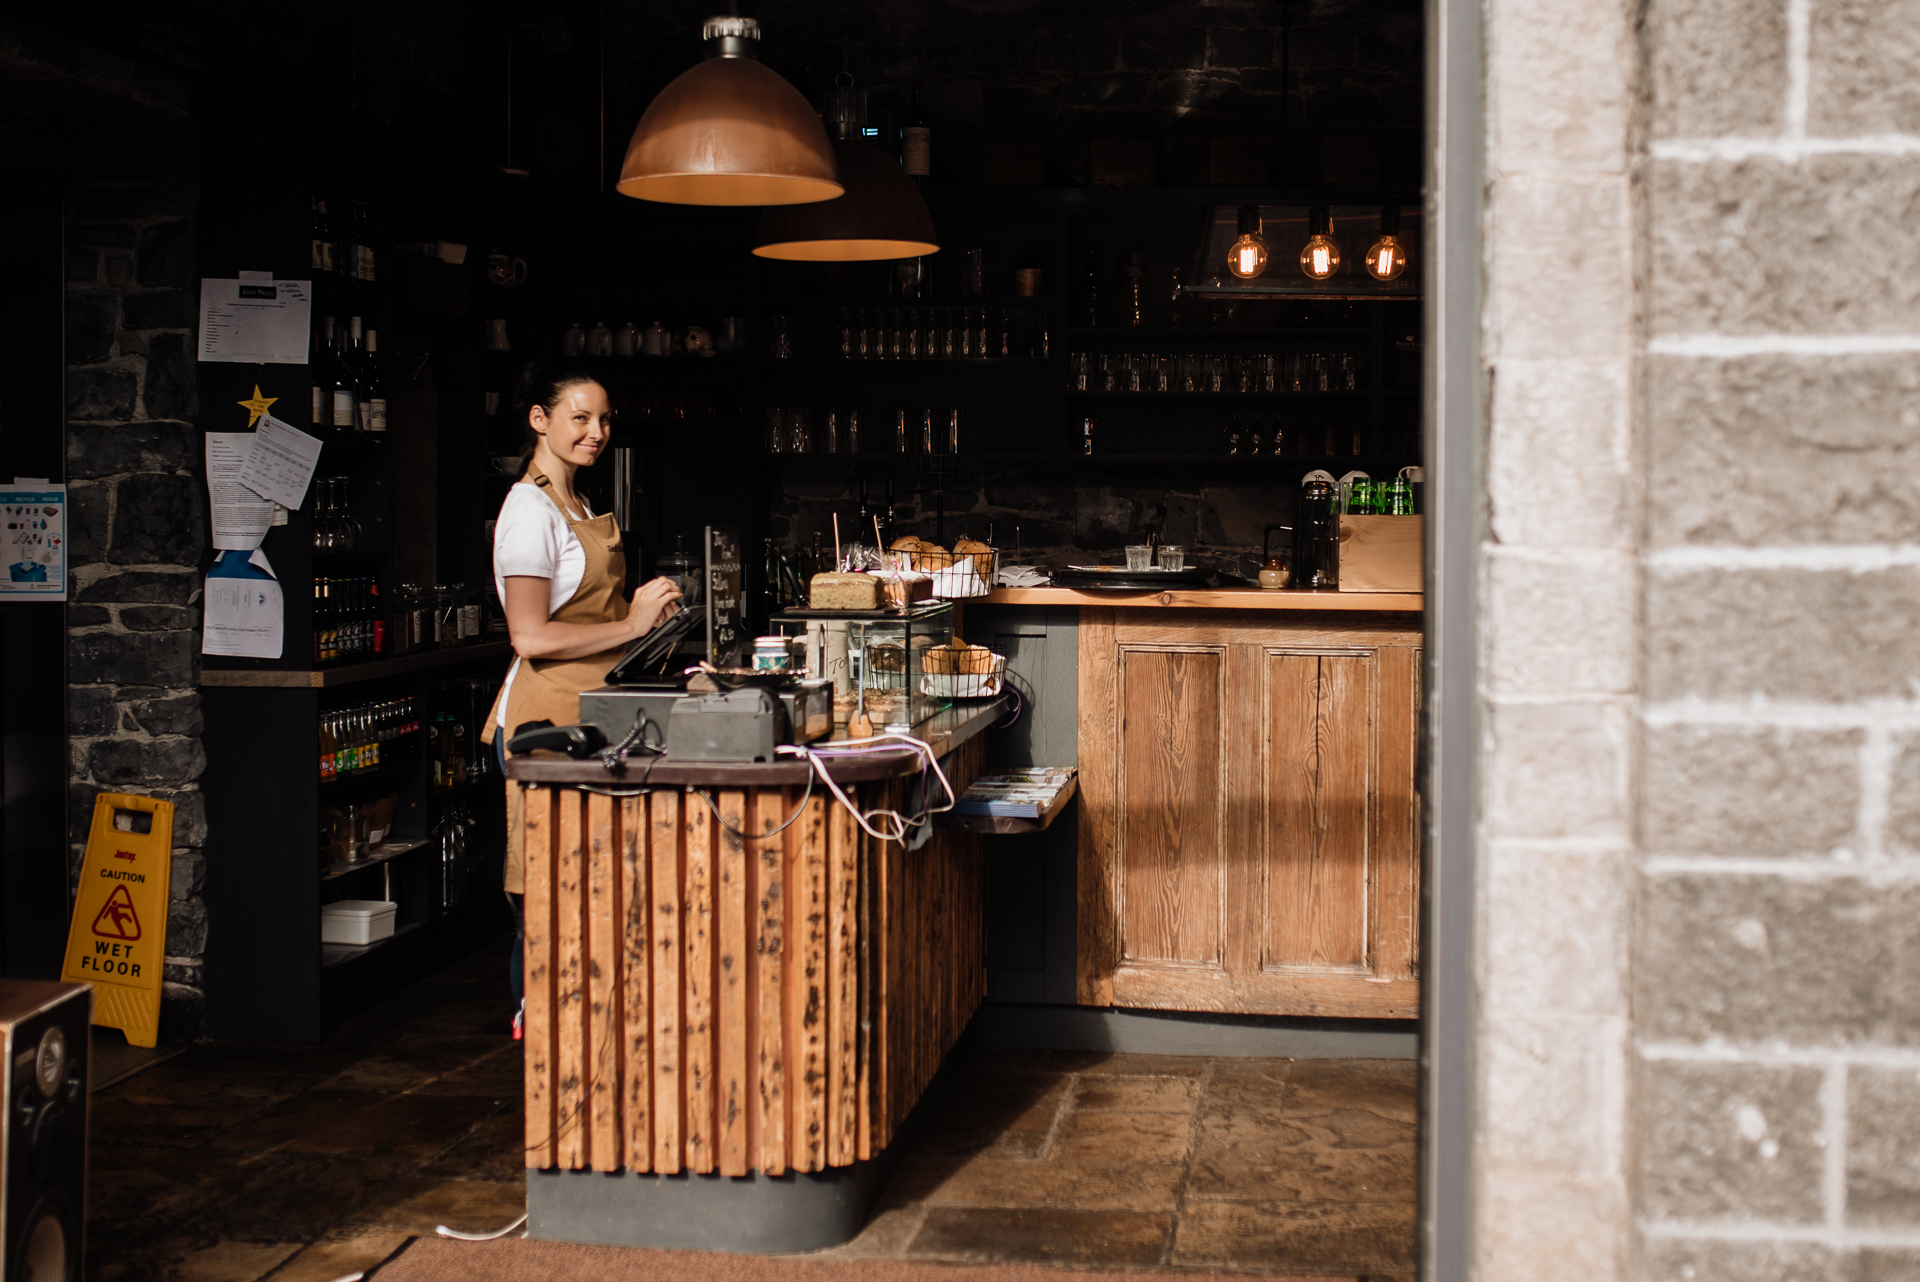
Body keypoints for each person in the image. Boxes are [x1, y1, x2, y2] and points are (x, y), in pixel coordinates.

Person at [483, 363, 681, 1036]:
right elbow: (531, 635)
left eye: (602, 421)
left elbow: (597, 634)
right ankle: (538, 1042)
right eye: (578, 417)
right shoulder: (527, 511)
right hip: (546, 724)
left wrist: (657, 637)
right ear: (539, 419)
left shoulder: (578, 509)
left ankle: (589, 1040)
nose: (595, 433)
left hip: (594, 717)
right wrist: (631, 624)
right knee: (545, 902)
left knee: (592, 894)